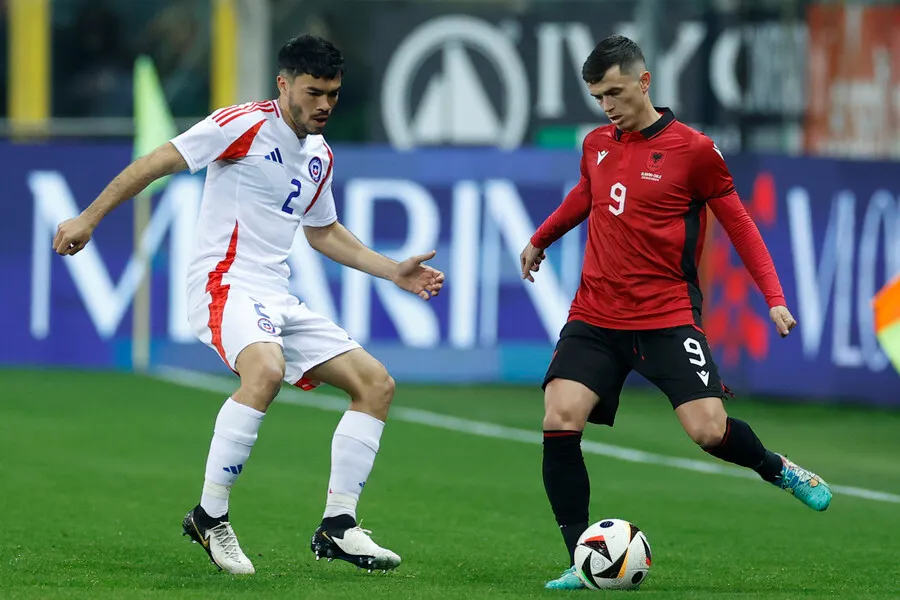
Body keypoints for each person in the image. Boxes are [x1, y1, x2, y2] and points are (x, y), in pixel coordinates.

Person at [54, 34, 444, 576]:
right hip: (223, 282)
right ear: (283, 84)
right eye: (313, 92)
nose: (325, 104)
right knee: (265, 368)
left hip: (275, 293)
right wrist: (88, 218)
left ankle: (338, 526)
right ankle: (209, 517)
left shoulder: (320, 154)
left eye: (333, 93)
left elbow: (324, 233)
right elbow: (156, 162)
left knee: (375, 384)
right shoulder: (243, 124)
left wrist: (392, 269)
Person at [519, 35, 831, 591]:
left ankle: (778, 468)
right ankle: (581, 559)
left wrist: (775, 297)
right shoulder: (596, 143)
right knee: (559, 415)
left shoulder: (695, 151)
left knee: (708, 432)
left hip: (665, 316)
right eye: (597, 97)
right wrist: (540, 239)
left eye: (614, 91)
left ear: (644, 81)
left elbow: (739, 223)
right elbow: (585, 195)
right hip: (595, 312)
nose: (607, 105)